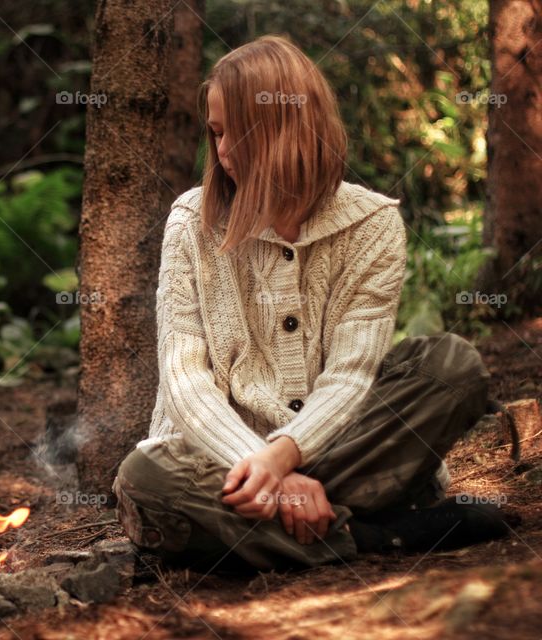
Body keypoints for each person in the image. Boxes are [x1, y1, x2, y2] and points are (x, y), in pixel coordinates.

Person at [112, 34, 513, 572]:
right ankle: (373, 534)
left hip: (339, 446)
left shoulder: (372, 224)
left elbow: (352, 374)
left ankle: (277, 532)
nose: (223, 152)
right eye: (215, 133)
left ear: (284, 128)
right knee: (146, 475)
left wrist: (286, 455)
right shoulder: (192, 221)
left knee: (451, 365)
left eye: (237, 131)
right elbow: (185, 381)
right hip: (225, 463)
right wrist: (264, 468)